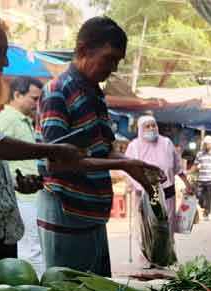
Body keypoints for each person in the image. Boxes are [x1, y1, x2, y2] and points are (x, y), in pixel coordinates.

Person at [0, 9, 81, 263]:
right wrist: (54, 150)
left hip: (0, 229)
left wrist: (13, 183)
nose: (5, 63)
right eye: (0, 52)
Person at [36, 16, 159, 276]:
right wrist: (123, 163)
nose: (112, 68)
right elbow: (57, 160)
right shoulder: (58, 90)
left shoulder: (95, 94)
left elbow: (104, 148)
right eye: (109, 58)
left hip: (93, 213)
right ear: (83, 50)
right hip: (66, 210)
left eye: (117, 61)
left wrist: (131, 165)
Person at [124, 115, 191, 269]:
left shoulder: (166, 143)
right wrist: (132, 184)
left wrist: (187, 183)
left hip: (167, 191)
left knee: (166, 226)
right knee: (146, 227)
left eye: (153, 125)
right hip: (145, 193)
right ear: (140, 129)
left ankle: (167, 258)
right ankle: (147, 258)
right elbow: (128, 170)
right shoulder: (134, 146)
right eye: (147, 126)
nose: (151, 129)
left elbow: (177, 167)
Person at [0, 75, 46, 274]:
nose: (37, 104)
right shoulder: (6, 119)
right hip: (20, 196)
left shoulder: (24, 121)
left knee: (34, 247)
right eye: (34, 99)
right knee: (30, 249)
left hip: (30, 194)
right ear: (17, 94)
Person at [194, 135, 211, 219]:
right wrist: (194, 169)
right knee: (199, 195)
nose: (206, 146)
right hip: (201, 179)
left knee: (209, 198)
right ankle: (202, 208)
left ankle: (206, 213)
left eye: (208, 144)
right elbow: (195, 165)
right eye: (205, 144)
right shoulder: (199, 154)